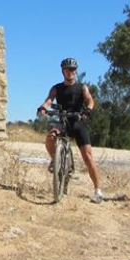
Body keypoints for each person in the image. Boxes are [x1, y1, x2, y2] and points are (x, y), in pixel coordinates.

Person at [36, 57, 103, 203]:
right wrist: (43, 108)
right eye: (67, 69)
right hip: (64, 122)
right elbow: (48, 100)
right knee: (50, 137)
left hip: (78, 123)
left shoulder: (82, 87)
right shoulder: (57, 88)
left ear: (76, 71)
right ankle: (56, 159)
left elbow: (90, 100)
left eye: (72, 69)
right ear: (63, 71)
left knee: (88, 156)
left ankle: (97, 190)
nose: (70, 72)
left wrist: (88, 110)